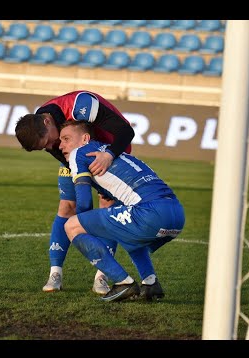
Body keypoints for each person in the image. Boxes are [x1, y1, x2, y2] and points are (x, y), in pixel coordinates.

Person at [15, 90, 135, 295]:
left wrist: (108, 156)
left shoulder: (81, 105)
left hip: (112, 151)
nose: (52, 147)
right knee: (67, 206)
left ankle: (102, 276)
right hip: (76, 159)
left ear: (46, 122)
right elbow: (63, 156)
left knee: (106, 207)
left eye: (49, 143)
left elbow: (126, 132)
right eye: (45, 148)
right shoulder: (43, 128)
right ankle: (55, 274)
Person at [59, 121, 185, 302]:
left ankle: (123, 282)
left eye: (66, 139)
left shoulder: (79, 153)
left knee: (72, 225)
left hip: (151, 214)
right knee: (126, 231)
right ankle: (150, 283)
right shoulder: (113, 151)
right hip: (176, 214)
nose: (61, 145)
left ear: (85, 139)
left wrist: (85, 225)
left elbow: (84, 201)